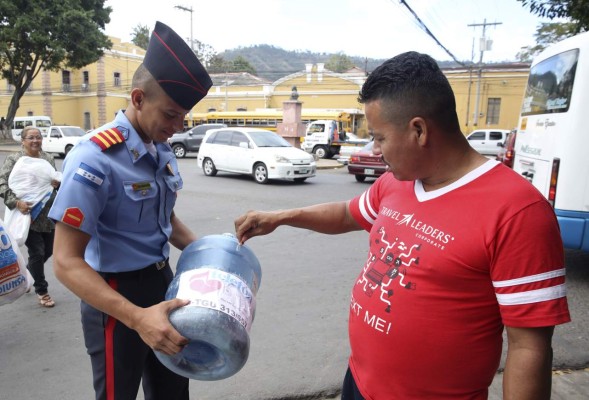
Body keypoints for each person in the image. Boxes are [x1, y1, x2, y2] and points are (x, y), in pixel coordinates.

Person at [235, 52, 571, 399]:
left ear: (419, 130)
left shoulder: (518, 210)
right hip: (359, 383)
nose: (375, 149)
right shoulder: (398, 182)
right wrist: (281, 217)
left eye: (380, 138)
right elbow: (348, 214)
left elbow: (529, 348)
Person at [48, 21, 212, 400]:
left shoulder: (161, 148)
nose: (179, 126)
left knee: (173, 391)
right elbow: (66, 262)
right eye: (171, 114)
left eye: (184, 116)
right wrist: (137, 318)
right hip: (114, 296)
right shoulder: (94, 157)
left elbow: (165, 222)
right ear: (138, 99)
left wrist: (212, 253)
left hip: (164, 284)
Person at [0, 126, 60, 307]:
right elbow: (2, 184)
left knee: (48, 251)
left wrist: (57, 184)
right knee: (37, 252)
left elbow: (52, 184)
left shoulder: (48, 158)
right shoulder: (14, 159)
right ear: (23, 141)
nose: (35, 141)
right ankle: (42, 291)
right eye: (31, 138)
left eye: (38, 137)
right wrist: (17, 203)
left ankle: (27, 275)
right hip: (28, 216)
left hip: (48, 216)